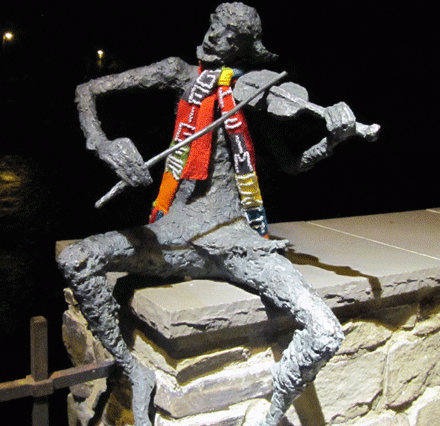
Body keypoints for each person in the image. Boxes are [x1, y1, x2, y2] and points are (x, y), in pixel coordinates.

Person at [58, 3, 364, 425]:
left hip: (238, 238)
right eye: (214, 25)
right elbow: (86, 91)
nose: (215, 37)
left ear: (244, 49)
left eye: (229, 36)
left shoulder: (252, 94)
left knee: (326, 332)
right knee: (76, 259)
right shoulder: (177, 73)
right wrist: (104, 145)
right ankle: (135, 371)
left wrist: (332, 139)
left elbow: (293, 164)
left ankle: (272, 415)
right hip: (177, 233)